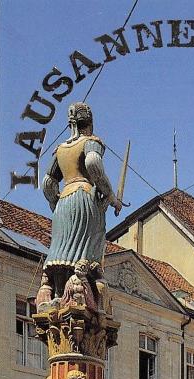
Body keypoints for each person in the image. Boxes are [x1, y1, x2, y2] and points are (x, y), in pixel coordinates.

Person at [39, 102, 123, 308]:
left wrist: (55, 203)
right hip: (84, 199)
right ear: (89, 123)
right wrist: (111, 196)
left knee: (61, 252)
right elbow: (93, 163)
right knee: (86, 250)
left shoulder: (60, 150)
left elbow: (48, 182)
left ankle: (59, 294)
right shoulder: (91, 142)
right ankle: (85, 294)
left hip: (64, 202)